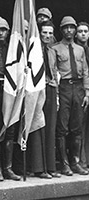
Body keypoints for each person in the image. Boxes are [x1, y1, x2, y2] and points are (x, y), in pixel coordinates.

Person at [52, 16, 89, 176]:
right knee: (62, 128)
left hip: (79, 88)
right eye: (66, 28)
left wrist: (87, 92)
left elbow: (86, 71)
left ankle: (75, 162)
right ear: (61, 30)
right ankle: (64, 164)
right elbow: (54, 71)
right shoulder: (55, 49)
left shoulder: (80, 50)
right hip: (64, 87)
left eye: (71, 28)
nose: (69, 30)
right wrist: (57, 95)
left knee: (77, 127)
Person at [0, 17, 21, 181]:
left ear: (8, 31)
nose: (1, 32)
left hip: (11, 90)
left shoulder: (13, 48)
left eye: (3, 30)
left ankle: (8, 168)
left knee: (10, 129)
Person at [38, 21, 61, 178]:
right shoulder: (33, 49)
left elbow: (54, 71)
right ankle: (40, 168)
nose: (47, 35)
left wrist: (57, 95)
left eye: (50, 33)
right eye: (44, 32)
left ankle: (51, 167)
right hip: (38, 89)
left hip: (51, 88)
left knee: (51, 128)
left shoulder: (52, 51)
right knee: (39, 127)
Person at [75, 22, 89, 168]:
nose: (83, 34)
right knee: (80, 126)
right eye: (80, 31)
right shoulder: (76, 50)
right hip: (80, 90)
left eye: (85, 31)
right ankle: (81, 160)